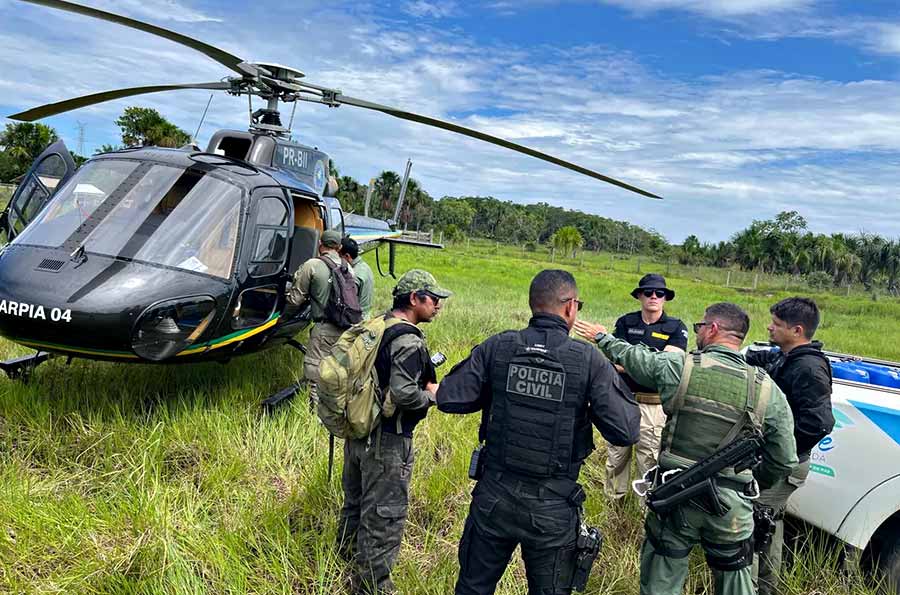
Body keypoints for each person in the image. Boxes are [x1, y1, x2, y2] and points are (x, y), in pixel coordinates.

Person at [437, 269, 641, 595]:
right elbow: (625, 431)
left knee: (473, 588)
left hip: (494, 498)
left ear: (533, 305)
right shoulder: (588, 360)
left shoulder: (499, 347)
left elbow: (449, 397)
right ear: (571, 307)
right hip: (552, 507)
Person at [575, 302, 798, 595]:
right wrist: (753, 482)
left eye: (700, 327)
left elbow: (635, 357)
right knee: (735, 582)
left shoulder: (681, 367)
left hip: (675, 499)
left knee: (661, 580)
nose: (697, 333)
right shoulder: (767, 389)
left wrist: (603, 337)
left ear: (713, 329)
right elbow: (784, 459)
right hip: (731, 509)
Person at [337, 269, 452, 594]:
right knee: (384, 518)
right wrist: (432, 395)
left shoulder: (378, 325)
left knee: (355, 505)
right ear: (415, 299)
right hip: (387, 441)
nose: (438, 305)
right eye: (434, 298)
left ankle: (343, 566)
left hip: (359, 432)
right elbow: (403, 394)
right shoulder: (408, 340)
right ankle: (373, 586)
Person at [745, 297, 834, 595]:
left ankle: (751, 588)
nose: (769, 327)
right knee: (769, 523)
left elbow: (819, 423)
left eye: (777, 324)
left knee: (749, 524)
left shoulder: (808, 369)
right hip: (779, 460)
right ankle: (768, 588)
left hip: (784, 463)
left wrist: (780, 448)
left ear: (797, 330)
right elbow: (762, 360)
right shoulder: (787, 357)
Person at [607, 273, 688, 506]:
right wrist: (650, 363)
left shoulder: (676, 327)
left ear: (665, 298)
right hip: (622, 399)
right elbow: (614, 360)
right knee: (616, 457)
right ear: (640, 296)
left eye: (659, 293)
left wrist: (630, 363)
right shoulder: (626, 323)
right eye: (648, 292)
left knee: (649, 461)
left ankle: (645, 513)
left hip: (654, 404)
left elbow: (668, 368)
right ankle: (614, 509)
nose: (654, 297)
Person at [287, 229, 351, 406]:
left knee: (315, 375)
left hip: (323, 328)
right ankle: (337, 410)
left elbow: (295, 299)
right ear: (338, 247)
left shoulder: (313, 265)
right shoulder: (348, 268)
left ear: (320, 244)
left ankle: (316, 417)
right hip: (347, 328)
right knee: (337, 373)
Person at [341, 235, 375, 319]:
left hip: (357, 320)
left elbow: (348, 302)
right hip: (366, 315)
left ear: (347, 256)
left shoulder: (353, 275)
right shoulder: (365, 266)